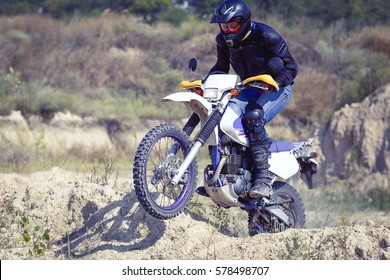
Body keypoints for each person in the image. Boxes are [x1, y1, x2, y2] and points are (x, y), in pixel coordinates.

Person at [209, 0, 298, 198]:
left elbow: (291, 67)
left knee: (254, 116)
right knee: (218, 117)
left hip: (276, 89)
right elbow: (221, 67)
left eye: (233, 25)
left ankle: (264, 179)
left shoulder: (267, 36)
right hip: (247, 88)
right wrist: (205, 83)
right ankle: (224, 175)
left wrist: (275, 82)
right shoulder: (222, 41)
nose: (228, 30)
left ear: (244, 22)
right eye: (224, 26)